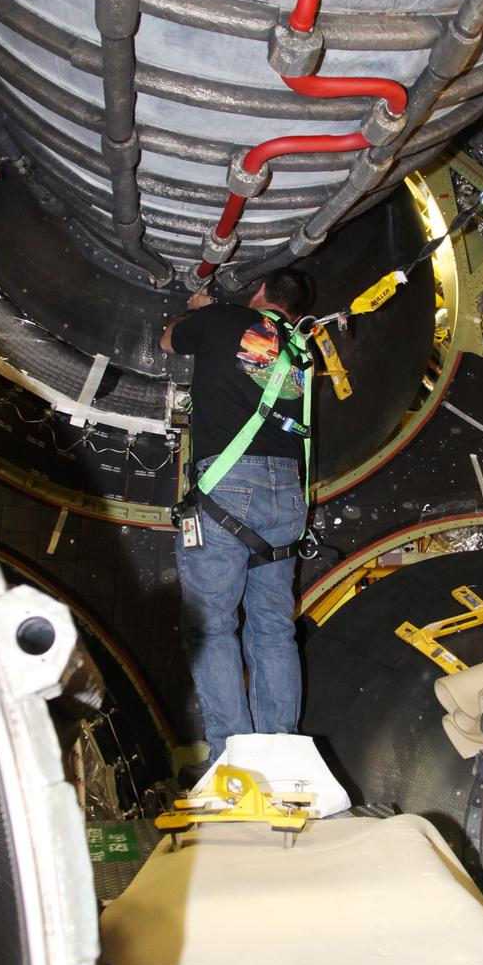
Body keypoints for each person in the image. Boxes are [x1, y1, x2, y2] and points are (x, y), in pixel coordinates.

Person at [159, 269, 315, 767]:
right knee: (273, 628)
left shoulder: (224, 318)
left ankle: (232, 757)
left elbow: (167, 341)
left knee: (211, 627)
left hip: (229, 487)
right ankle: (282, 756)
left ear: (262, 294)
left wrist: (199, 312)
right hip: (288, 492)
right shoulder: (301, 350)